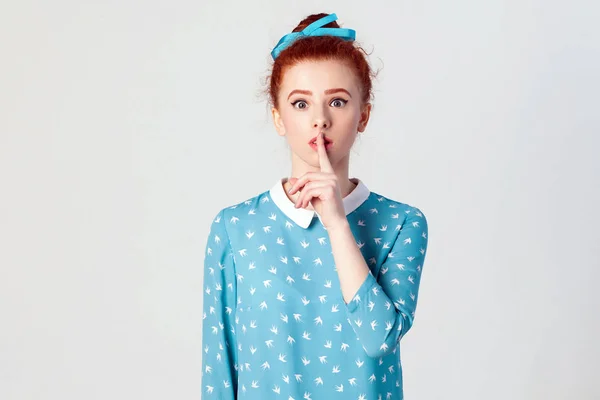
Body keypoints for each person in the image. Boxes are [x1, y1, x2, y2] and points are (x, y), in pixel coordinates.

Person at [200, 12, 429, 400]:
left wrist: (337, 224)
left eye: (337, 102)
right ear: (278, 117)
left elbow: (379, 338)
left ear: (364, 116)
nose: (320, 120)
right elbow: (219, 374)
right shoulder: (235, 229)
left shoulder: (401, 223)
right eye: (301, 104)